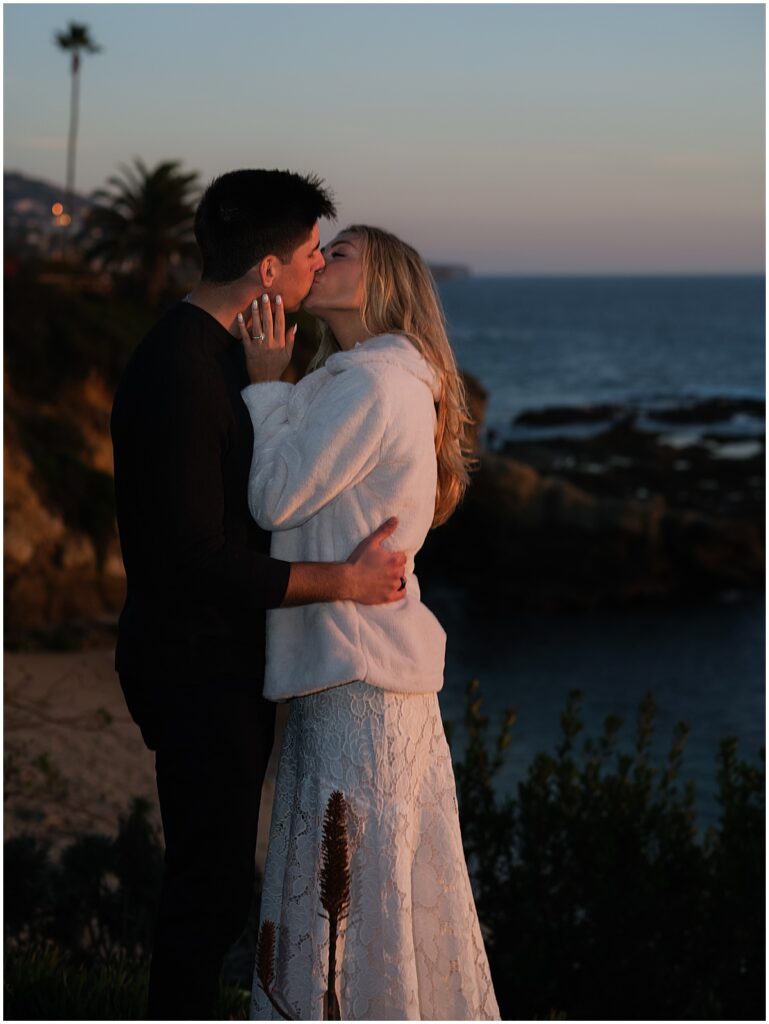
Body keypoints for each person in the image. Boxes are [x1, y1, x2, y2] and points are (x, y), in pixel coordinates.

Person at [110, 172, 409, 1021]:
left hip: (218, 655)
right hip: (194, 662)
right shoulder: (180, 370)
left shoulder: (219, 353)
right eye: (314, 251)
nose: (322, 264)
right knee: (206, 891)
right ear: (270, 271)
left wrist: (272, 378)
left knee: (213, 886)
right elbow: (198, 557)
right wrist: (343, 582)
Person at [238, 225, 500, 1019]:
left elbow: (273, 498)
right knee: (365, 902)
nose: (321, 260)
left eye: (340, 252)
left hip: (356, 678)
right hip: (360, 676)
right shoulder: (356, 381)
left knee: (348, 908)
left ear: (382, 284)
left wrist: (262, 384)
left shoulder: (371, 385)